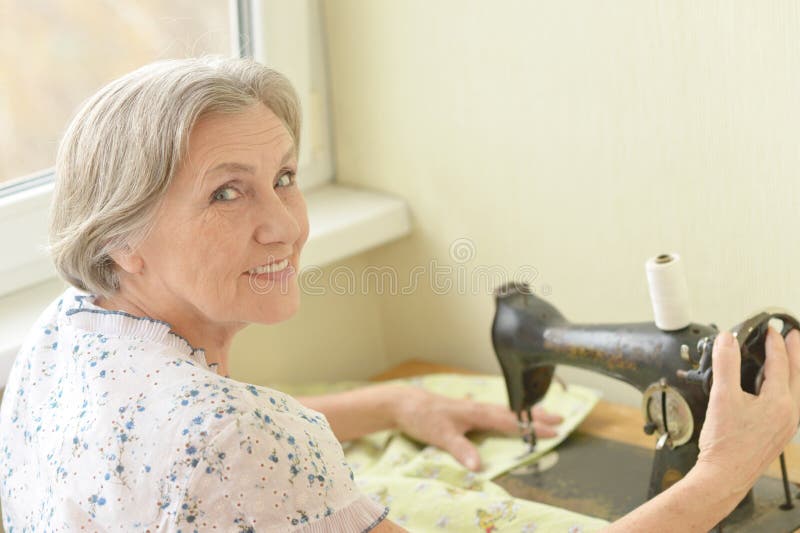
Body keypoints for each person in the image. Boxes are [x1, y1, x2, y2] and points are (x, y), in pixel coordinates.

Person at [0, 57, 797, 532]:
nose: (283, 225)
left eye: (282, 177)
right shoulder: (236, 436)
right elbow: (225, 447)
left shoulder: (64, 336)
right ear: (121, 239)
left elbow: (184, 460)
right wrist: (723, 472)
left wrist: (390, 402)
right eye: (226, 194)